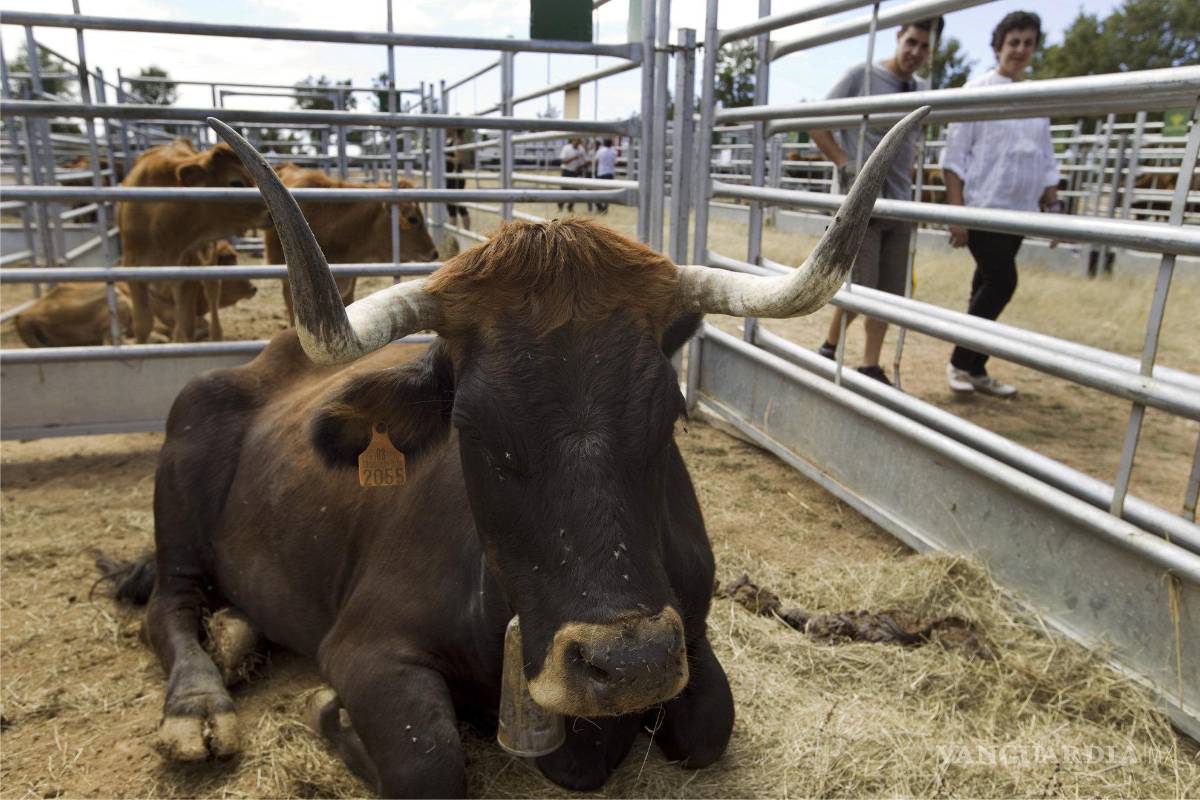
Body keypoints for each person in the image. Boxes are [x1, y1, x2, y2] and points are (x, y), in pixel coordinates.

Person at [809, 17, 943, 386]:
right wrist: (845, 163)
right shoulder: (861, 76)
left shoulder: (920, 89)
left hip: (900, 204)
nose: (916, 52)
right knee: (862, 287)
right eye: (911, 42)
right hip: (863, 205)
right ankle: (829, 345)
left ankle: (869, 363)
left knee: (890, 294)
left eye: (925, 47)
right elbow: (816, 122)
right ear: (898, 36)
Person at [941, 11, 1059, 398]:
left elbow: (1045, 158)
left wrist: (1052, 205)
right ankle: (960, 361)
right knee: (1002, 282)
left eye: (1028, 42)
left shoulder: (1037, 100)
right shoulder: (977, 91)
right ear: (998, 47)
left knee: (985, 285)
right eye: (1014, 42)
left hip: (1019, 211)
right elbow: (955, 157)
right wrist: (958, 214)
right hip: (983, 207)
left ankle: (975, 367)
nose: (1021, 50)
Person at [445, 128, 472, 231]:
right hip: (450, 178)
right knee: (453, 207)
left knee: (459, 206)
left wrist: (445, 158)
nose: (446, 130)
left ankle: (465, 232)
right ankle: (454, 233)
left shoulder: (458, 142)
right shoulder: (450, 141)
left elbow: (459, 160)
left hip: (455, 178)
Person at [557, 138, 586, 212]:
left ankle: (570, 206)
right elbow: (563, 161)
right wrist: (574, 158)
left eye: (579, 141)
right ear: (573, 141)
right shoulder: (566, 148)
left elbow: (583, 162)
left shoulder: (581, 150)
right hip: (566, 171)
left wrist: (579, 168)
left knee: (575, 190)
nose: (577, 143)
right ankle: (560, 206)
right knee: (564, 189)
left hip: (575, 172)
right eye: (576, 141)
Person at [592, 138, 618, 214]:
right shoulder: (614, 152)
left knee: (598, 192)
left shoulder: (600, 151)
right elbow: (615, 162)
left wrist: (595, 173)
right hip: (610, 173)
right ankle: (605, 208)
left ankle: (600, 207)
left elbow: (596, 161)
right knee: (608, 192)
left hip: (601, 173)